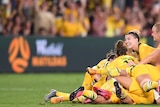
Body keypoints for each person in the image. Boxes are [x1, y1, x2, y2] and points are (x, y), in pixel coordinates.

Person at [69, 40, 160, 104]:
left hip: (108, 82)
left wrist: (97, 72)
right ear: (128, 52)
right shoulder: (132, 59)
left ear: (116, 55)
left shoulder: (111, 62)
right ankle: (150, 87)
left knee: (114, 94)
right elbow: (128, 71)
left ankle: (85, 96)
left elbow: (104, 74)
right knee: (132, 95)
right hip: (136, 85)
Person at [44, 52, 115, 104]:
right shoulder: (106, 63)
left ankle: (57, 95)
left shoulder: (107, 62)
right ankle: (58, 95)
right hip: (91, 79)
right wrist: (100, 81)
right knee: (83, 97)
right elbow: (93, 70)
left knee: (83, 97)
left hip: (95, 81)